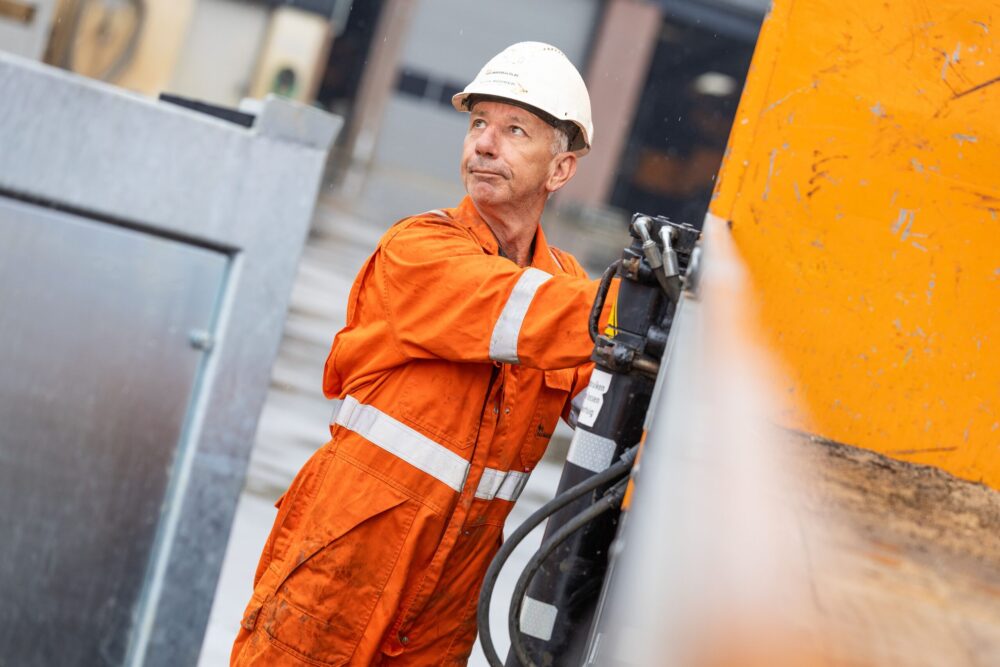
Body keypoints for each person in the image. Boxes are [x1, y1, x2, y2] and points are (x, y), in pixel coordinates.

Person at [231, 41, 610, 666]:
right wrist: (639, 301)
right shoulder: (420, 250)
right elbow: (514, 310)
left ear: (560, 170)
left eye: (514, 130)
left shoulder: (566, 284)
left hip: (443, 610)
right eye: (478, 124)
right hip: (339, 574)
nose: (485, 145)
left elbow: (607, 397)